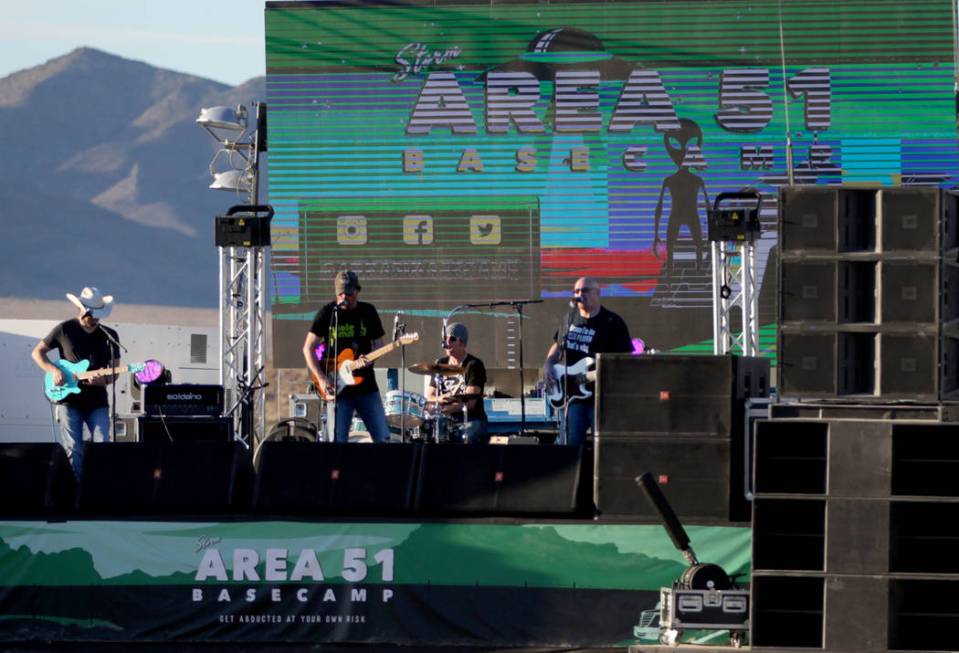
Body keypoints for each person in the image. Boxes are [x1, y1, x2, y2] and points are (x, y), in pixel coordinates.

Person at [32, 287, 121, 478]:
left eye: (98, 315)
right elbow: (37, 352)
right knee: (74, 447)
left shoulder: (109, 336)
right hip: (68, 399)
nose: (95, 319)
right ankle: (77, 494)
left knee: (102, 443)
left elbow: (115, 371)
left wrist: (103, 380)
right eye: (91, 314)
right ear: (81, 309)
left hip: (97, 401)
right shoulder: (64, 329)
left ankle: (97, 490)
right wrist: (54, 370)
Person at [302, 270, 391, 443]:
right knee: (338, 440)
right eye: (341, 293)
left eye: (349, 293)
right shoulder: (327, 313)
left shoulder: (368, 311)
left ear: (357, 291)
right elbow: (308, 348)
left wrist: (370, 360)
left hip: (366, 387)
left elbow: (379, 344)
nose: (345, 297)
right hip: (337, 389)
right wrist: (321, 378)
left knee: (382, 437)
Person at [543, 277, 632, 446]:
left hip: (601, 398)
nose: (579, 295)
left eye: (584, 291)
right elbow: (558, 346)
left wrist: (595, 375)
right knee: (571, 444)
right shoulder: (569, 319)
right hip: (573, 398)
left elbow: (625, 360)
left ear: (597, 293)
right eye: (576, 291)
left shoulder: (612, 322)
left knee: (603, 445)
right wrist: (548, 364)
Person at [425, 323, 489, 444]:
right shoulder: (440, 363)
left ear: (462, 343)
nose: (447, 342)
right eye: (445, 339)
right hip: (446, 419)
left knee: (469, 435)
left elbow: (470, 402)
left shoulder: (473, 365)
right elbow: (430, 396)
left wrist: (444, 409)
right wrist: (439, 399)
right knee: (428, 433)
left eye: (452, 339)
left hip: (471, 419)